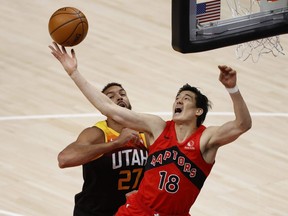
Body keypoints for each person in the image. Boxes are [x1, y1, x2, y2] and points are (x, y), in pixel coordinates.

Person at [49, 42, 252, 216]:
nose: (179, 101)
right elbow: (109, 109)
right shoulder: (157, 127)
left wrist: (232, 89)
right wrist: (74, 73)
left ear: (198, 111)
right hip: (134, 211)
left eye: (186, 98)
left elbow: (242, 125)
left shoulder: (205, 138)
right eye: (177, 98)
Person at [57, 81, 149, 216]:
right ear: (104, 107)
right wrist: (116, 143)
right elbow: (64, 159)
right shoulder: (98, 133)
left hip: (129, 212)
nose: (119, 97)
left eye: (122, 94)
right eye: (111, 96)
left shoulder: (144, 132)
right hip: (94, 212)